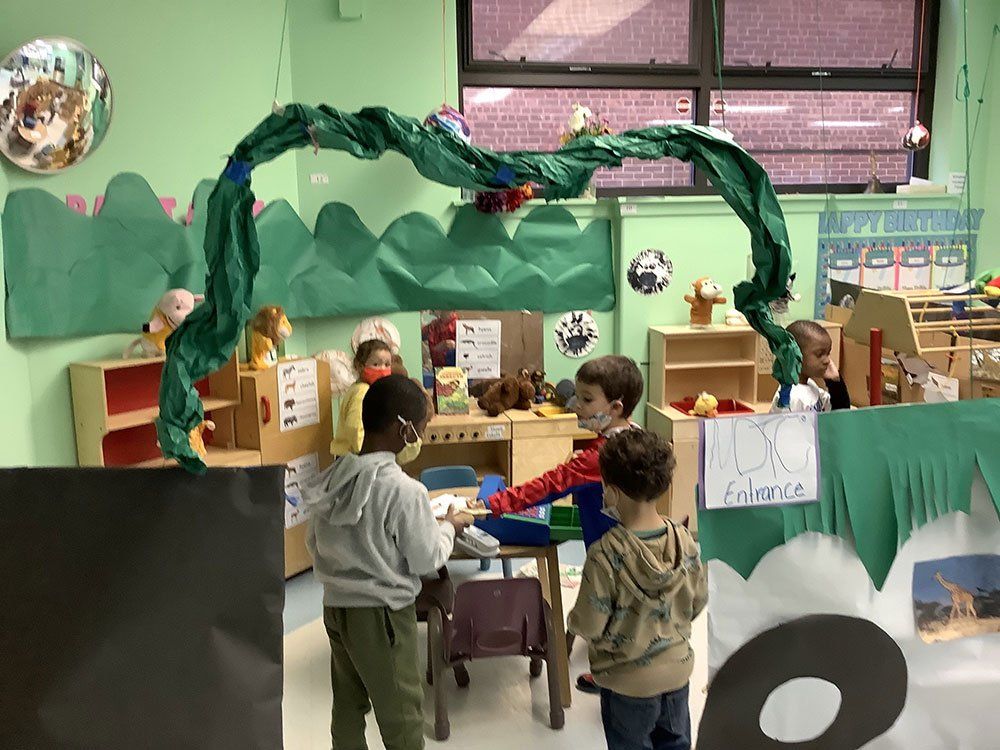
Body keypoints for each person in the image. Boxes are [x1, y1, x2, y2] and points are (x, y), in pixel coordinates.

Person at [303, 374, 472, 750]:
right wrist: (449, 527)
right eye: (422, 428)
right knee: (401, 714)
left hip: (336, 608)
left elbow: (313, 543)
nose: (421, 437)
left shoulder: (334, 479)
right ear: (403, 428)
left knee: (348, 704)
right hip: (382, 616)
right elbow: (427, 557)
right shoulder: (404, 490)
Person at [484, 354, 643, 692]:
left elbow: (548, 486)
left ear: (615, 407)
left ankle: (612, 678)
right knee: (625, 608)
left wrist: (491, 504)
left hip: (608, 553)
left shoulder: (599, 457)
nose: (576, 405)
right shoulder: (637, 436)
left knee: (611, 613)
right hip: (638, 545)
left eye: (587, 400)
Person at [568, 429, 707, 750]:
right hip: (676, 673)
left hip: (626, 683)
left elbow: (589, 624)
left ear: (612, 493)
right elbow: (698, 602)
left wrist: (572, 620)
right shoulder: (685, 541)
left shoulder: (605, 554)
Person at [330, 339, 393, 458]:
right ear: (359, 366)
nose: (382, 369)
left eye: (387, 364)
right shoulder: (362, 391)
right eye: (376, 364)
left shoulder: (364, 389)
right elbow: (354, 427)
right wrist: (366, 452)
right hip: (353, 457)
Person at [771, 320, 851, 413]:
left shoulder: (810, 385)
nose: (827, 360)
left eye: (828, 353)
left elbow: (839, 412)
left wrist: (835, 383)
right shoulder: (789, 397)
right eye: (820, 354)